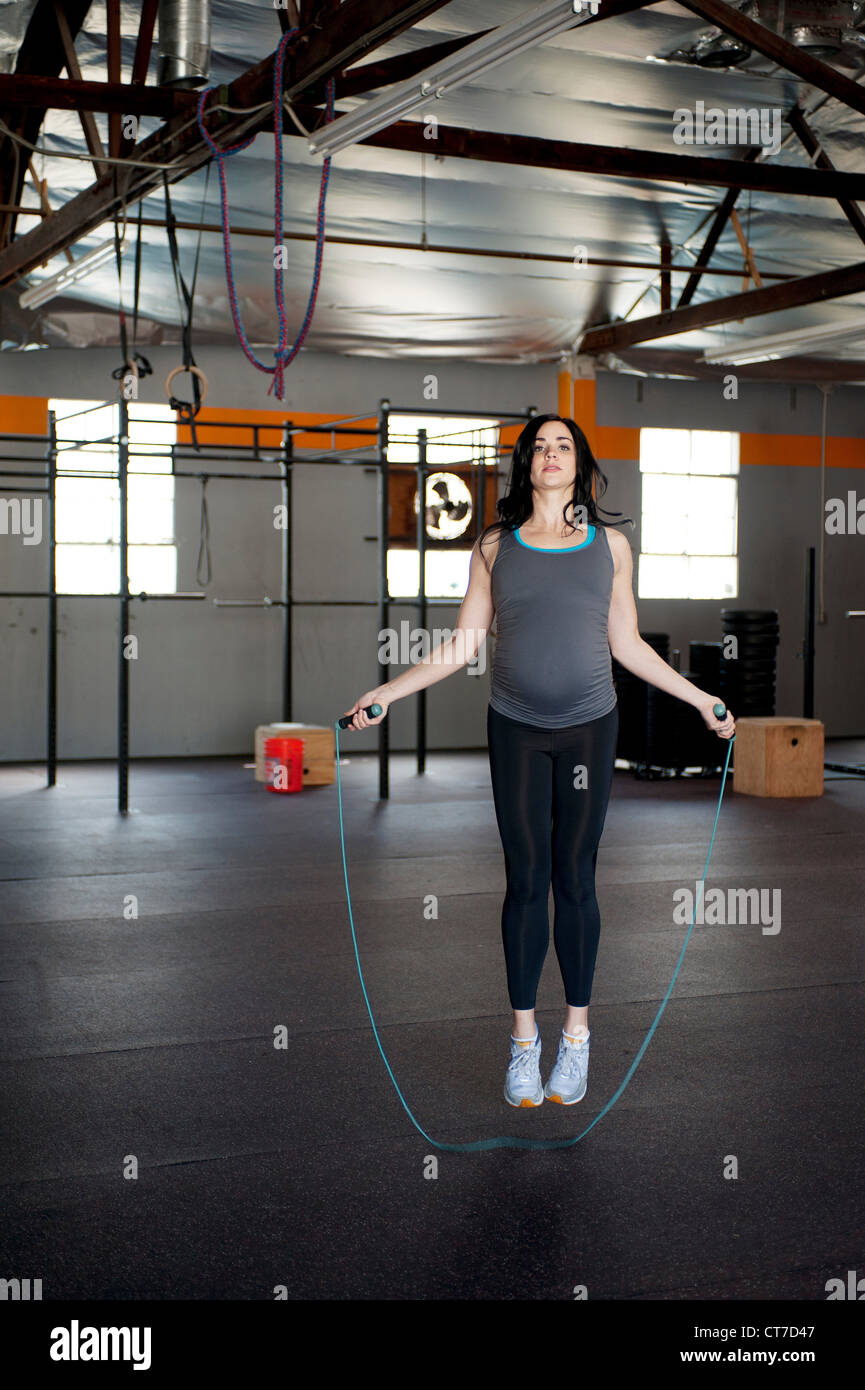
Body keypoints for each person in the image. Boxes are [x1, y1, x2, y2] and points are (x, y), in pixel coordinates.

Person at [342, 414, 735, 1110]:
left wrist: (700, 699)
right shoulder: (494, 546)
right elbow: (463, 643)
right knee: (524, 881)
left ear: (579, 463)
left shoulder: (609, 547)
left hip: (589, 729)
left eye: (563, 446)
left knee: (574, 880)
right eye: (539, 447)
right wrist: (386, 692)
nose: (550, 455)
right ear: (526, 466)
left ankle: (576, 1038)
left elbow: (628, 645)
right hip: (516, 730)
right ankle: (524, 1043)